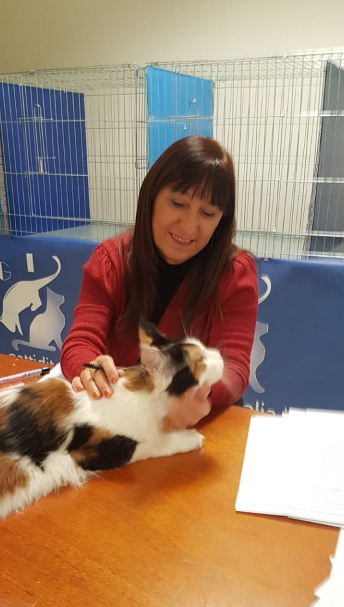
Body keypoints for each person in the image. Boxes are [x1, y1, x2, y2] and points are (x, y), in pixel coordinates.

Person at [60, 135, 258, 430]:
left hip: (199, 424)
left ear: (222, 220)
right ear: (151, 196)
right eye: (178, 203)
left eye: (208, 213)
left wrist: (197, 393)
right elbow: (81, 342)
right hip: (125, 419)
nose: (188, 226)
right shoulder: (111, 261)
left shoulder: (234, 273)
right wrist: (89, 368)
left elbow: (235, 367)